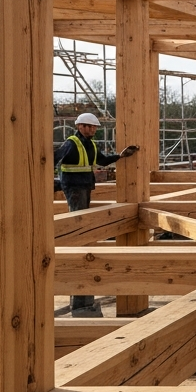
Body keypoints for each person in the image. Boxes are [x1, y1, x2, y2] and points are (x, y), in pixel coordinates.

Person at [56, 112, 139, 317]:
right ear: (80, 126)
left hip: (84, 186)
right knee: (79, 230)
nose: (93, 130)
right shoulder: (71, 143)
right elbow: (54, 158)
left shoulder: (91, 145)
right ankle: (80, 299)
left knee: (83, 227)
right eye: (89, 127)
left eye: (94, 127)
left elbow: (101, 160)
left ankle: (83, 298)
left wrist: (120, 156)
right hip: (74, 188)